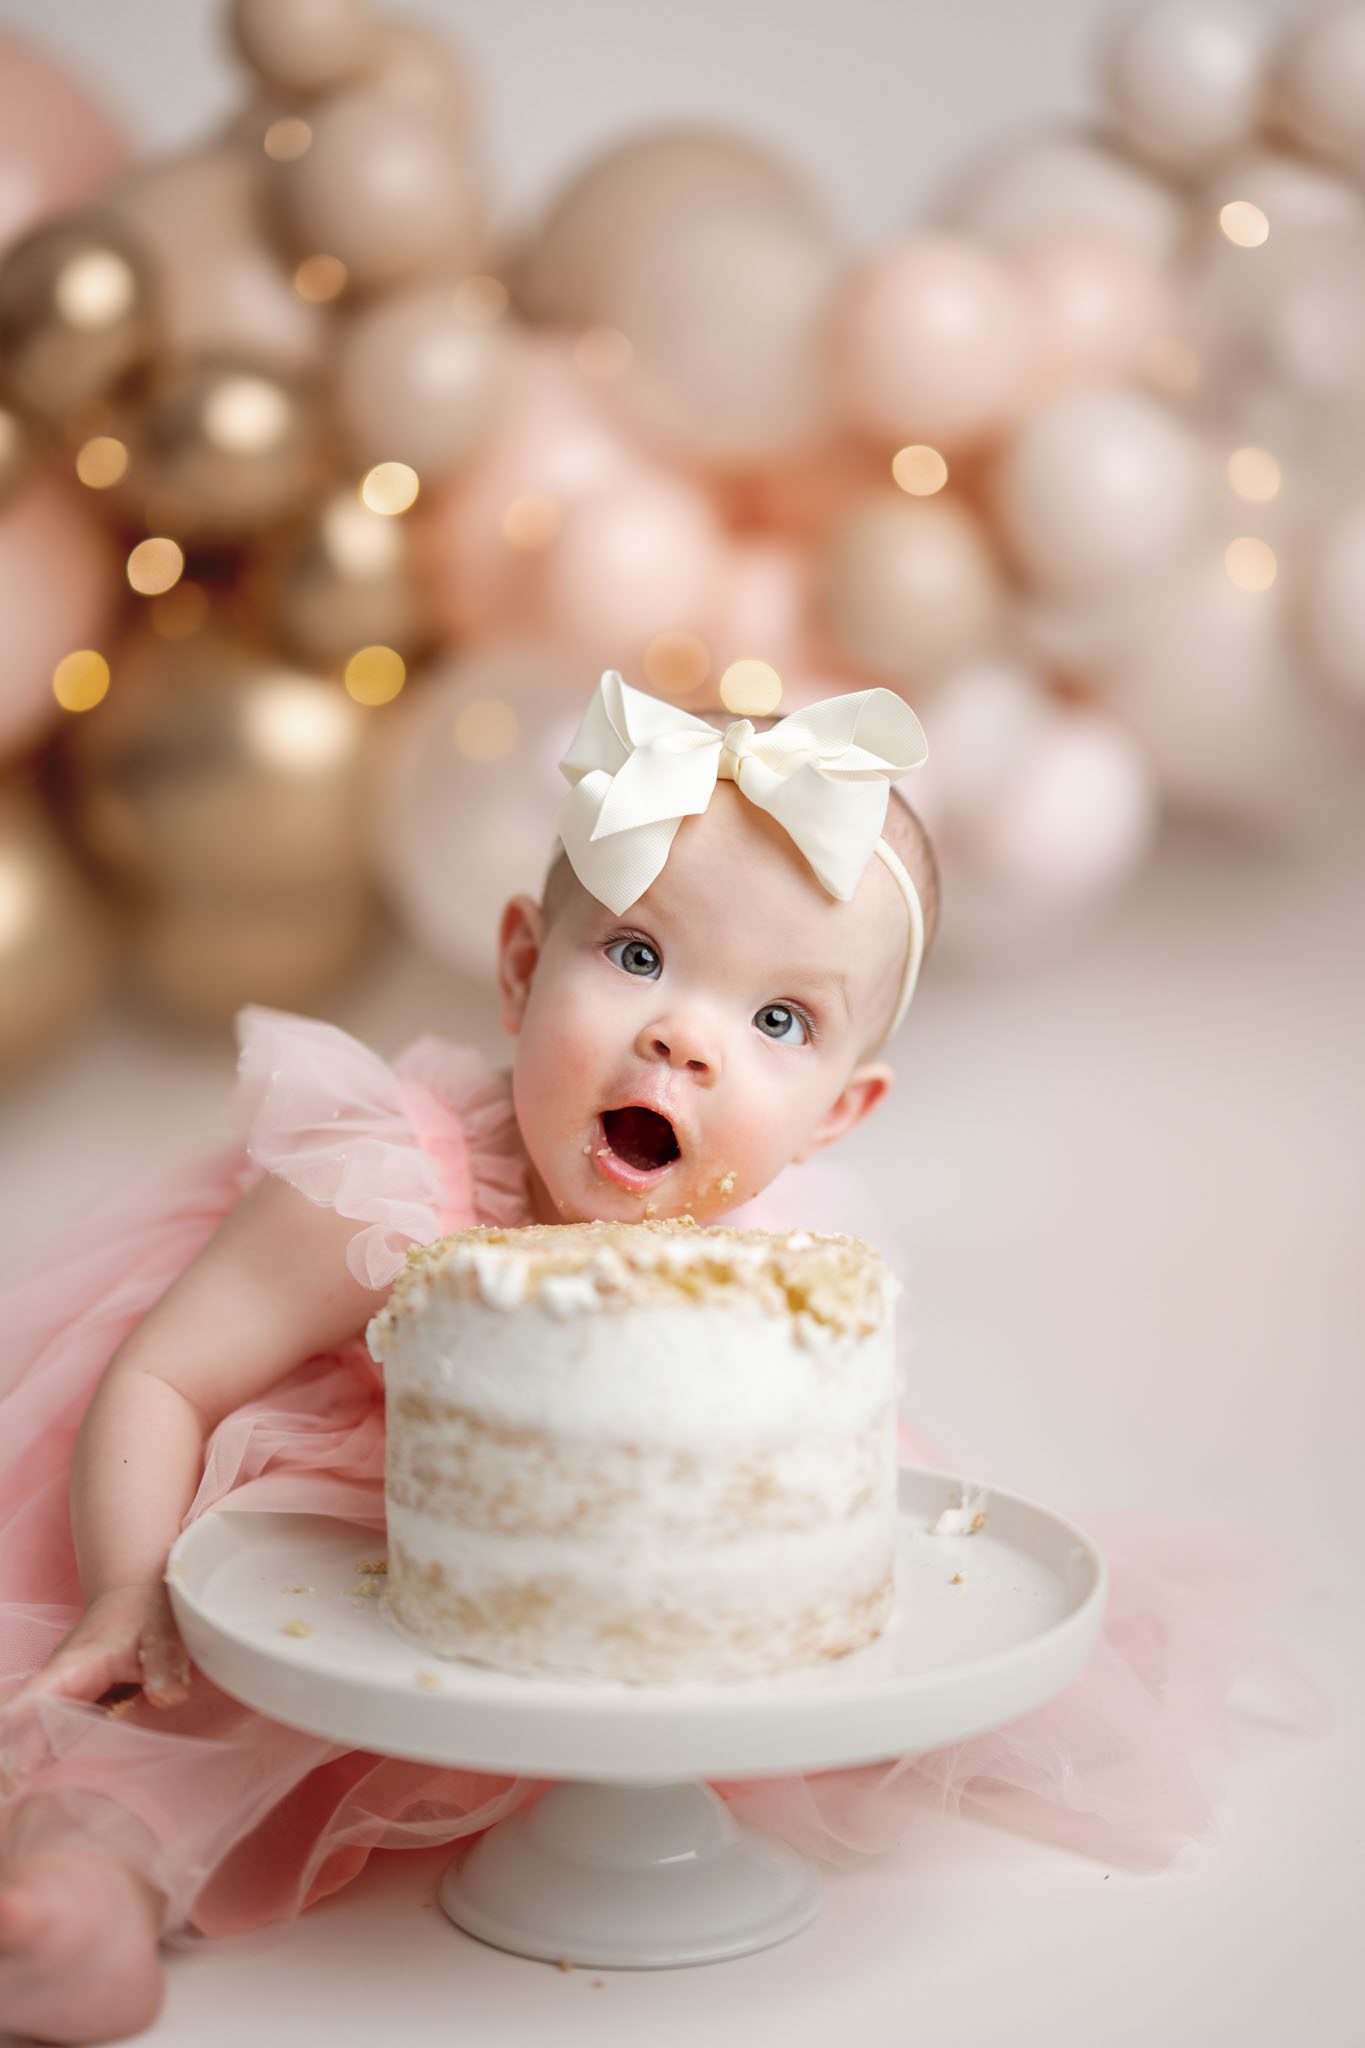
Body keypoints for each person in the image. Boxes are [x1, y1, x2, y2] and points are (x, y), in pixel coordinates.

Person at [0, 673, 1307, 2043]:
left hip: (628, 1575)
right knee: (194, 1708)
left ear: (836, 1113)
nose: (684, 1036)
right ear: (517, 966)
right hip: (345, 1528)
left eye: (779, 1022)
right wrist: (129, 1584)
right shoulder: (387, 1180)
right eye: (636, 956)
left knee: (860, 1643)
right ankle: (84, 1892)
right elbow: (166, 1374)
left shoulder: (780, 1260)